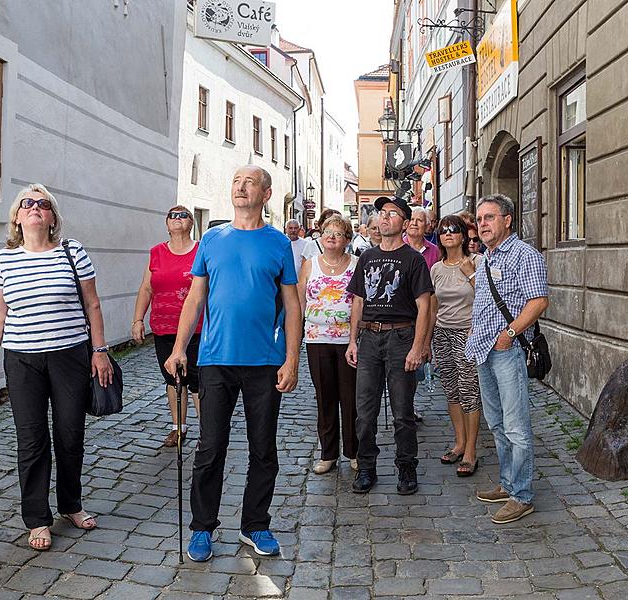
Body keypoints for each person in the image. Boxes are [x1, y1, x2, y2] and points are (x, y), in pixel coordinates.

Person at [165, 165, 301, 562]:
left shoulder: (278, 243)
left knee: (263, 449)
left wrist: (292, 359)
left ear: (267, 193)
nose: (241, 187)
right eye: (236, 181)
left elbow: (292, 305)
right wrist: (178, 348)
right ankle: (202, 528)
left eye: (250, 182)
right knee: (210, 447)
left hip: (264, 362)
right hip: (215, 359)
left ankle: (255, 524)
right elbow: (195, 298)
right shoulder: (212, 239)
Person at [0, 184, 112, 551]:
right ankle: (37, 518)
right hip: (22, 361)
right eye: (28, 203)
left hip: (71, 355)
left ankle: (71, 504)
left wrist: (99, 351)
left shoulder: (73, 252)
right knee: (32, 438)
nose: (35, 208)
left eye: (43, 204)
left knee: (70, 434)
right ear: (17, 217)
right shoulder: (3, 260)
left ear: (52, 217)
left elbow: (93, 305)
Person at [467, 194, 548, 524]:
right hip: (483, 350)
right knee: (497, 423)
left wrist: (509, 334)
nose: (482, 224)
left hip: (507, 350)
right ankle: (508, 481)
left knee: (516, 427)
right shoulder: (486, 256)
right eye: (480, 219)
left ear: (507, 220)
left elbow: (538, 301)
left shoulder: (524, 254)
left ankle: (522, 496)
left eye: (489, 217)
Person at [346, 195, 432, 496]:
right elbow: (358, 300)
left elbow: (425, 307)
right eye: (382, 213)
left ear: (405, 223)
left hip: (401, 337)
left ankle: (406, 467)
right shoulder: (367, 258)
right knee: (364, 411)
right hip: (369, 338)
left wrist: (418, 348)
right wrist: (352, 341)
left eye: (392, 213)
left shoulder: (414, 260)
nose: (384, 218)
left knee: (402, 412)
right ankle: (367, 466)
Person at [131, 205, 202, 447]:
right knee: (172, 378)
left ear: (191, 222)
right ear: (166, 223)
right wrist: (138, 319)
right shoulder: (156, 253)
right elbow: (146, 288)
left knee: (197, 378)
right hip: (164, 326)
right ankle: (178, 428)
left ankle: (207, 430)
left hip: (197, 326)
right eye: (173, 215)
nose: (178, 219)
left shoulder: (201, 251)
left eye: (183, 215)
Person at [297, 214, 359, 475]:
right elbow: (300, 300)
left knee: (351, 398)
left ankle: (354, 452)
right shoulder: (310, 265)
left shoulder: (357, 264)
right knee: (325, 397)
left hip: (347, 341)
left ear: (347, 239)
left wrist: (354, 339)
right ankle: (328, 453)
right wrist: (297, 333)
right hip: (317, 339)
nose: (331, 237)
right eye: (327, 232)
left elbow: (359, 301)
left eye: (338, 233)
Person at [426, 214, 482, 477]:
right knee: (451, 390)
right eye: (443, 230)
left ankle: (471, 450)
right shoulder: (436, 269)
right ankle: (459, 442)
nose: (448, 234)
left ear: (463, 235)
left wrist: (471, 274)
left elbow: (486, 297)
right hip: (443, 334)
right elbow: (433, 307)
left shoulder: (476, 262)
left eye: (453, 230)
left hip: (467, 334)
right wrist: (427, 341)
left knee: (469, 391)